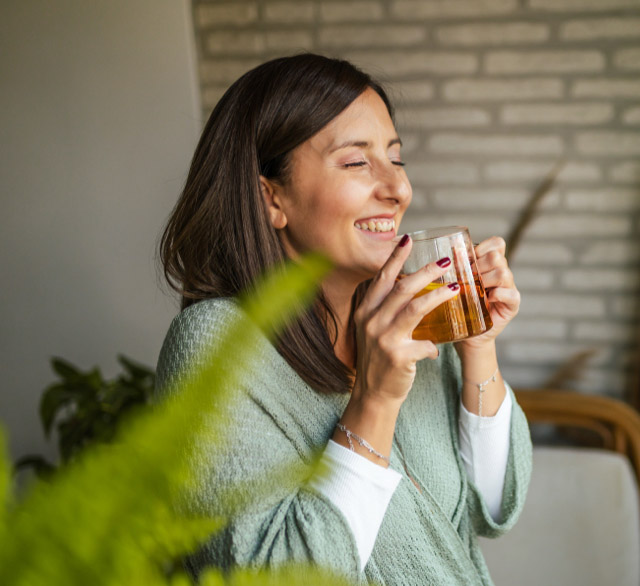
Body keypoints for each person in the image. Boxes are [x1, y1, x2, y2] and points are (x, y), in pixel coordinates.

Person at [156, 53, 532, 585]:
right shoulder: (214, 346)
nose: (398, 189)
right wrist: (375, 401)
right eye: (357, 163)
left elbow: (489, 509)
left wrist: (477, 345)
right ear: (271, 197)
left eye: (396, 159)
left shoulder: (403, 319)